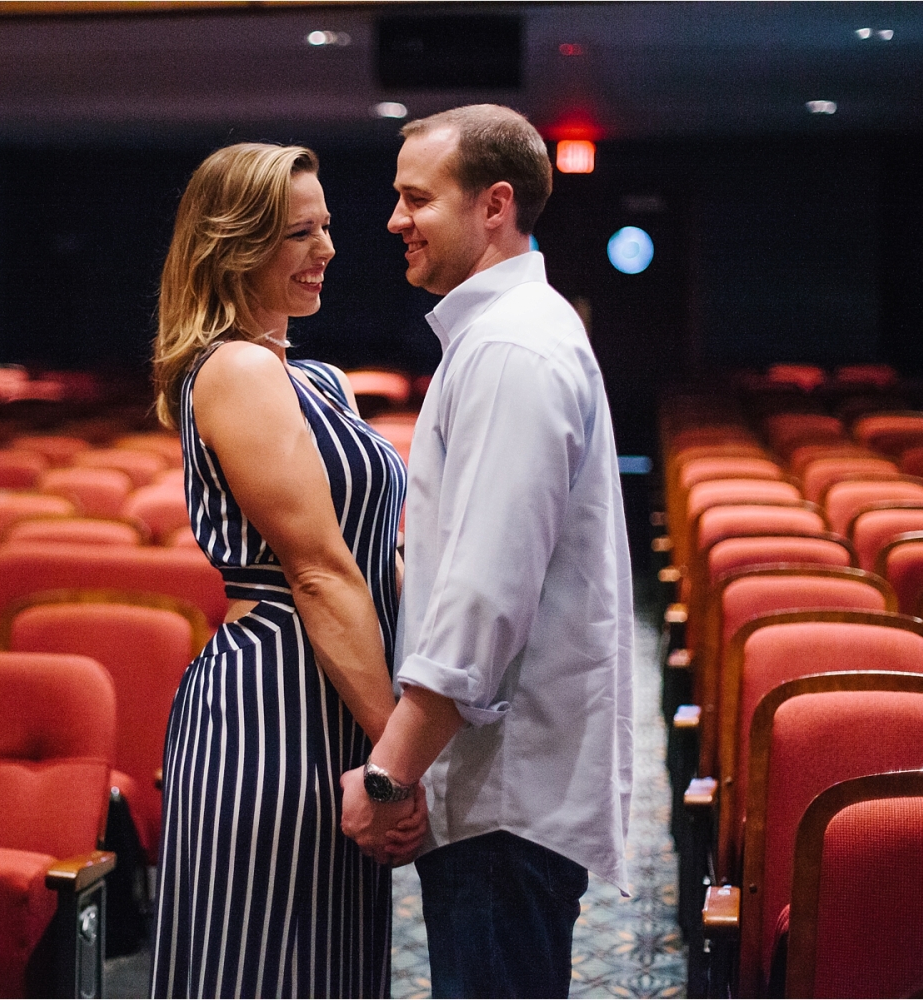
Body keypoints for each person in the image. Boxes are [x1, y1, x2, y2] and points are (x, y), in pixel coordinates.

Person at [340, 104, 635, 998]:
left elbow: (483, 599)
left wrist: (391, 771)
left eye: (415, 199)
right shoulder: (504, 336)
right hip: (497, 793)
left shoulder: (512, 347)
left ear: (493, 205)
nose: (394, 221)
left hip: (508, 802)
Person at [149, 142, 426, 999]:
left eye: (328, 227)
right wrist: (397, 759)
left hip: (332, 698)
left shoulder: (314, 377)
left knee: (330, 970)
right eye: (299, 233)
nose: (328, 250)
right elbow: (318, 575)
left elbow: (380, 557)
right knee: (266, 971)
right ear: (234, 248)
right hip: (269, 716)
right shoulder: (233, 369)